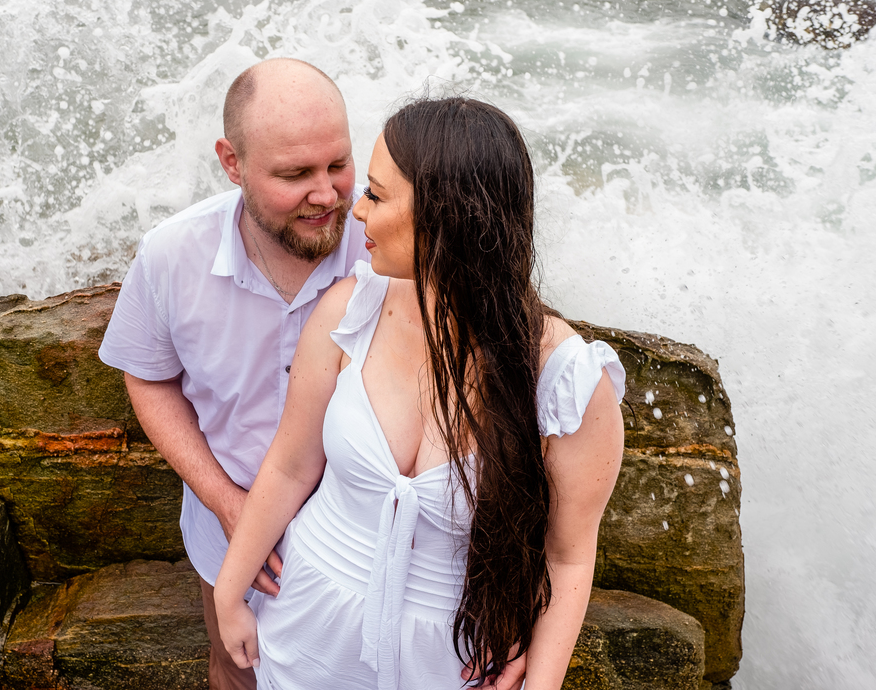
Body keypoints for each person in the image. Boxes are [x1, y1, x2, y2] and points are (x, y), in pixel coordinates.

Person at [213, 97, 627, 690]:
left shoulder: (565, 381)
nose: (355, 211)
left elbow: (567, 556)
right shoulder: (350, 311)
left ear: (446, 215)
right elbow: (289, 465)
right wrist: (232, 590)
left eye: (377, 196)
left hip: (451, 661)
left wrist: (542, 682)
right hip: (307, 630)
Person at [97, 58, 371, 690]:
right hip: (227, 517)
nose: (327, 195)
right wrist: (227, 504)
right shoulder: (171, 254)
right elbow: (149, 378)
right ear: (232, 162)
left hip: (363, 536)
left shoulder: (387, 247)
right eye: (295, 174)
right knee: (235, 670)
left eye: (338, 165)